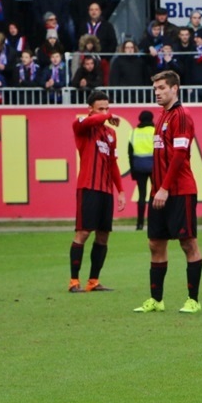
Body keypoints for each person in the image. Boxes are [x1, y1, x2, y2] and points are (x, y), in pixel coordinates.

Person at [133, 71, 202, 314]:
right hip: (159, 192)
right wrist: (157, 190)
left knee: (188, 243)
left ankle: (193, 300)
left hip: (179, 190)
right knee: (155, 243)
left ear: (175, 89)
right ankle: (156, 300)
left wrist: (163, 188)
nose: (157, 91)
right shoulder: (162, 116)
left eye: (162, 87)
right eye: (155, 88)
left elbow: (180, 155)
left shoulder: (182, 116)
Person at [68, 90, 125, 293]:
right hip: (88, 187)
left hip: (105, 190)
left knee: (103, 236)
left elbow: (113, 164)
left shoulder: (111, 134)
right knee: (83, 233)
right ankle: (74, 281)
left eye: (107, 108)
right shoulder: (82, 125)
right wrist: (109, 116)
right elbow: (89, 122)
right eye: (100, 109)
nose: (105, 112)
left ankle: (93, 281)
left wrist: (121, 190)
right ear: (90, 109)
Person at [128, 110, 155, 231]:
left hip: (139, 166)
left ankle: (139, 224)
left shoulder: (134, 132)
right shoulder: (155, 131)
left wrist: (133, 171)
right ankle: (156, 222)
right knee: (155, 195)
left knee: (142, 196)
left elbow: (130, 153)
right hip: (155, 167)